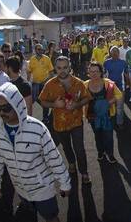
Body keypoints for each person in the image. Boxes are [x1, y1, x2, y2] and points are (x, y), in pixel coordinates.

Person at [0, 82, 71, 222]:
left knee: (51, 217)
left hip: (42, 189)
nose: (2, 112)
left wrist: (64, 182)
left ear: (16, 104)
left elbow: (53, 157)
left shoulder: (37, 128)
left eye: (6, 107)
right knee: (29, 214)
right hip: (20, 189)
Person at [39, 56, 92, 184]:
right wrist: (54, 105)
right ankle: (71, 163)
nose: (62, 70)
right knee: (66, 147)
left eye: (65, 67)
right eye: (59, 68)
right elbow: (42, 101)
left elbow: (87, 98)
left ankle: (84, 172)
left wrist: (77, 105)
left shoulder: (78, 83)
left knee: (79, 148)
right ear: (55, 68)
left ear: (69, 68)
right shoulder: (50, 84)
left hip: (76, 122)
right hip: (60, 124)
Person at [84, 62, 122, 163]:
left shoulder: (108, 83)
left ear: (101, 72)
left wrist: (109, 102)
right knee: (98, 136)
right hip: (93, 117)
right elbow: (77, 96)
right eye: (91, 72)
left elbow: (119, 95)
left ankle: (110, 154)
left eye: (96, 71)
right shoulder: (85, 85)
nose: (94, 74)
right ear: (88, 73)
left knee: (108, 136)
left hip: (107, 116)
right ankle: (100, 152)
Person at [28, 44, 54, 123]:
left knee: (44, 99)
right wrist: (28, 81)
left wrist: (48, 80)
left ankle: (45, 117)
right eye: (38, 49)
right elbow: (29, 71)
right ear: (35, 50)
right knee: (33, 99)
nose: (40, 51)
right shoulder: (32, 59)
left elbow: (51, 71)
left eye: (41, 49)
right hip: (35, 83)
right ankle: (29, 117)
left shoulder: (46, 58)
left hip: (44, 83)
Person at [103, 47, 128, 129]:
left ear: (119, 53)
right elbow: (103, 75)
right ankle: (109, 120)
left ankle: (119, 122)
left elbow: (126, 75)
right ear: (110, 53)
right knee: (109, 105)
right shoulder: (106, 63)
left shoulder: (123, 63)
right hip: (109, 87)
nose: (115, 53)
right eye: (113, 52)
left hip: (120, 87)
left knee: (120, 107)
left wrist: (127, 86)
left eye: (116, 51)